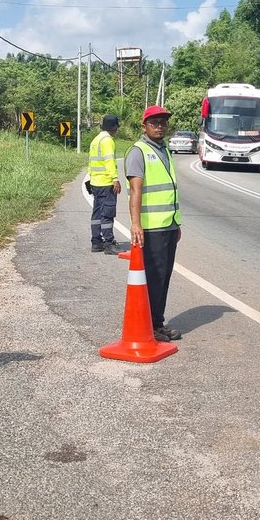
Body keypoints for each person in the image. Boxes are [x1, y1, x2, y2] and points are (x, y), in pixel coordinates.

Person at [126, 105, 183, 343]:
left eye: (163, 122)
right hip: (151, 227)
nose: (160, 126)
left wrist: (176, 224)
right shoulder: (138, 152)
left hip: (168, 225)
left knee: (164, 277)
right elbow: (135, 191)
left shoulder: (164, 150)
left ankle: (157, 322)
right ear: (144, 126)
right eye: (154, 122)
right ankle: (151, 325)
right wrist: (136, 224)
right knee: (155, 277)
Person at [87, 114, 126, 254]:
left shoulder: (96, 140)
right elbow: (109, 161)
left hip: (96, 182)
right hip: (106, 183)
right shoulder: (108, 140)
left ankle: (96, 242)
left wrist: (91, 179)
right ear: (114, 128)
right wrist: (115, 179)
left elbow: (91, 162)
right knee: (107, 213)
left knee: (97, 213)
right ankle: (109, 243)